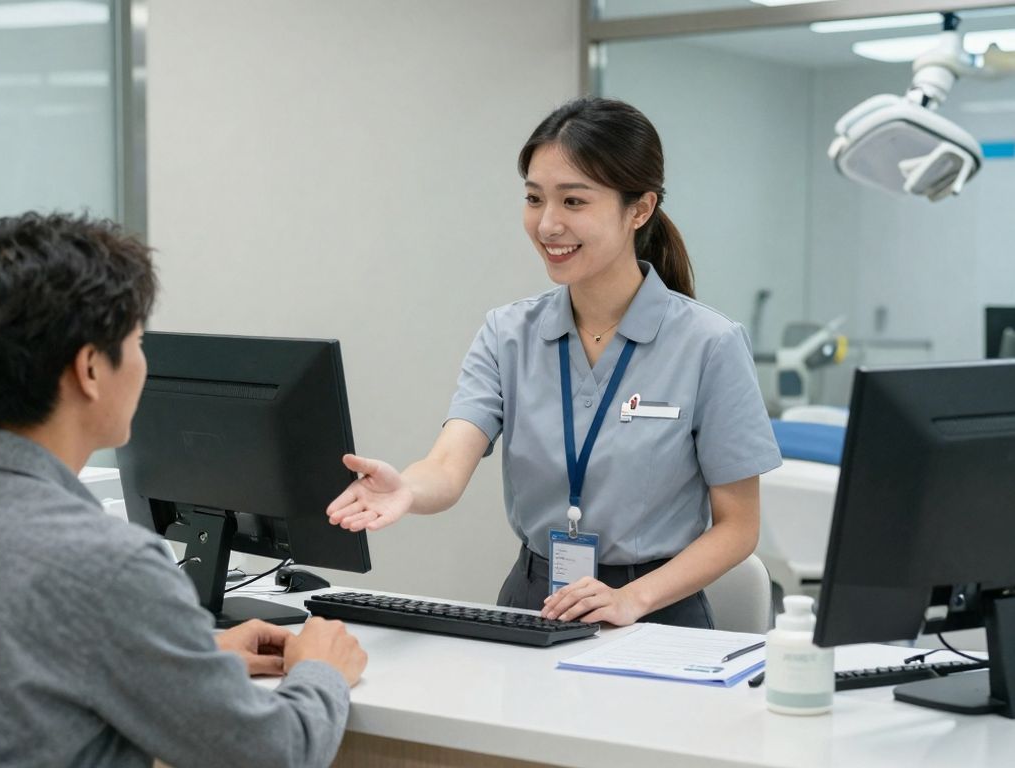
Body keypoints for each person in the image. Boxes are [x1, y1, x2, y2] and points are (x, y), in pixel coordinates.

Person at [0, 212, 366, 768]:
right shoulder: (109, 566)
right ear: (90, 370)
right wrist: (322, 669)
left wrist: (181, 658)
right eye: (137, 341)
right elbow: (277, 754)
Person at [326, 98, 781, 629]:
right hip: (534, 602)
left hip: (657, 614)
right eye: (534, 199)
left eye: (573, 201)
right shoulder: (507, 334)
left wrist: (631, 599)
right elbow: (448, 465)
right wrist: (407, 488)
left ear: (640, 209)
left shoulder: (710, 344)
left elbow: (738, 526)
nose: (547, 225)